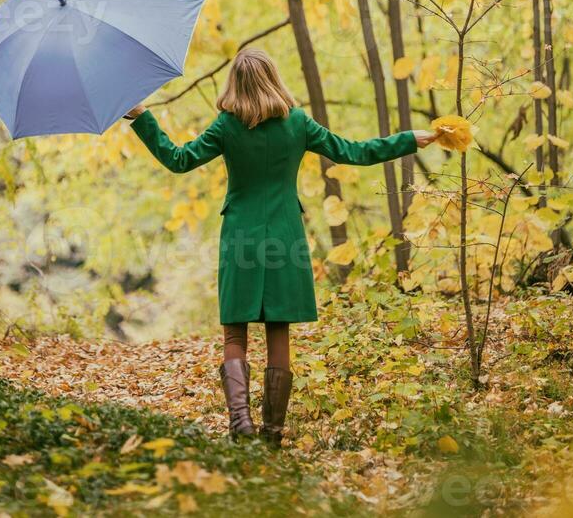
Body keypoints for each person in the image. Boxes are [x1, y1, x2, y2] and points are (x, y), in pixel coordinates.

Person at [125, 48, 437, 446]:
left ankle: (241, 426)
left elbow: (178, 159)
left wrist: (141, 116)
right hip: (285, 236)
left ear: (234, 83)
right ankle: (272, 433)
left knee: (235, 333)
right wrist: (408, 138)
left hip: (241, 236)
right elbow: (354, 152)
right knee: (278, 331)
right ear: (273, 78)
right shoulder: (298, 124)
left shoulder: (226, 126)